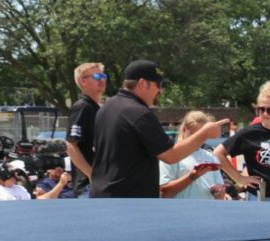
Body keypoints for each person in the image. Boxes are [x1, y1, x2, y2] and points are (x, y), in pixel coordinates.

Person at [91, 60, 228, 198]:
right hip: (128, 201)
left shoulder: (106, 108)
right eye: (158, 85)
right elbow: (170, 155)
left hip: (103, 194)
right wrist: (204, 133)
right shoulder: (138, 113)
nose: (160, 90)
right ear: (143, 83)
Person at [159, 111, 227, 200]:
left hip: (207, 212)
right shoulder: (171, 155)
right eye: (194, 134)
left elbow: (220, 196)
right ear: (184, 130)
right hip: (180, 212)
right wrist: (191, 177)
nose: (197, 138)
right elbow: (164, 193)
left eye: (202, 134)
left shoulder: (210, 157)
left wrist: (219, 192)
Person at [66, 62, 107, 198]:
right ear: (83, 81)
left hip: (103, 183)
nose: (102, 79)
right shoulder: (83, 107)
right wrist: (91, 174)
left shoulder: (99, 109)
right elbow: (71, 145)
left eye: (103, 76)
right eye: (96, 76)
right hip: (88, 187)